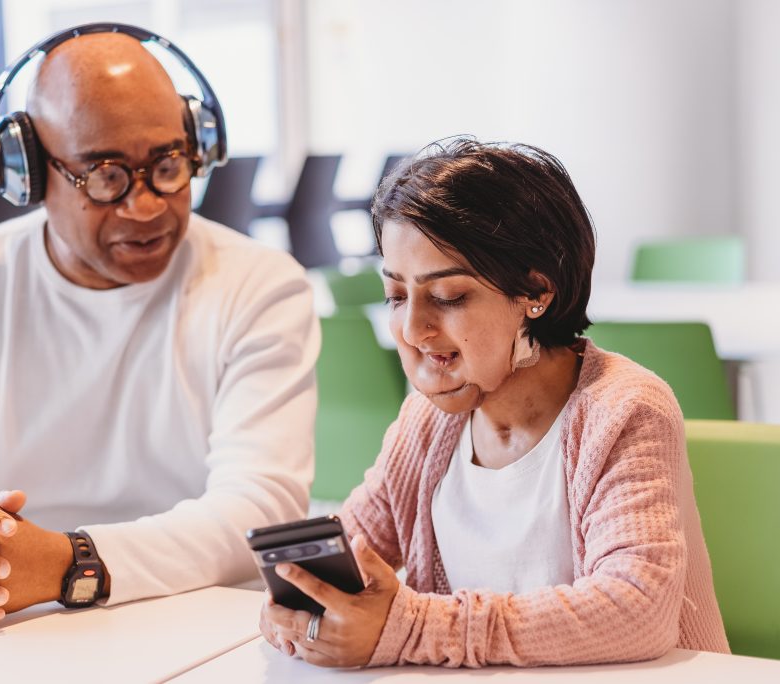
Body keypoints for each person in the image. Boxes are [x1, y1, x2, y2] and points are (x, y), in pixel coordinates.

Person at [0, 26, 319, 629]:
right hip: (9, 635)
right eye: (105, 175)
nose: (145, 206)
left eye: (168, 165)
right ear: (30, 173)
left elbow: (261, 507)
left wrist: (71, 564)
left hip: (201, 623)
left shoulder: (261, 283)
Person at [260, 138, 729, 667]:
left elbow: (636, 609)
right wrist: (299, 603)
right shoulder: (427, 422)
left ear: (536, 292)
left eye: (448, 296)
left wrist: (412, 628)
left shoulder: (624, 409)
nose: (413, 328)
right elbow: (353, 551)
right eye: (396, 295)